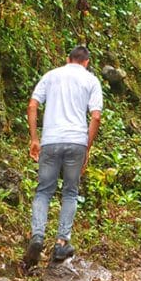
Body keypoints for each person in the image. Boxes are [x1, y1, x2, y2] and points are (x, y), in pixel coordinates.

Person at [23, 44, 103, 269]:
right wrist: (86, 147)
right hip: (76, 142)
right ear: (86, 62)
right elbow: (96, 117)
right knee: (70, 192)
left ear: (68, 59)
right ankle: (61, 242)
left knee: (43, 191)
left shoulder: (51, 76)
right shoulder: (91, 80)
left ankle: (37, 236)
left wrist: (34, 138)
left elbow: (32, 105)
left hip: (50, 140)